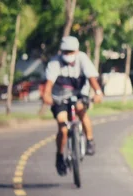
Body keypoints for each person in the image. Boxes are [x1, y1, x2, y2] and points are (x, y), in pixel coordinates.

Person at [42, 36, 103, 176]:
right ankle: (60, 156)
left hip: (79, 94)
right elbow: (49, 83)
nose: (68, 55)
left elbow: (92, 78)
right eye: (65, 52)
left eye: (71, 52)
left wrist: (98, 92)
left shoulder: (82, 58)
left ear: (77, 51)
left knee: (82, 112)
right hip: (60, 98)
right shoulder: (55, 63)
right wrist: (46, 95)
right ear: (61, 51)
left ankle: (90, 140)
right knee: (63, 129)